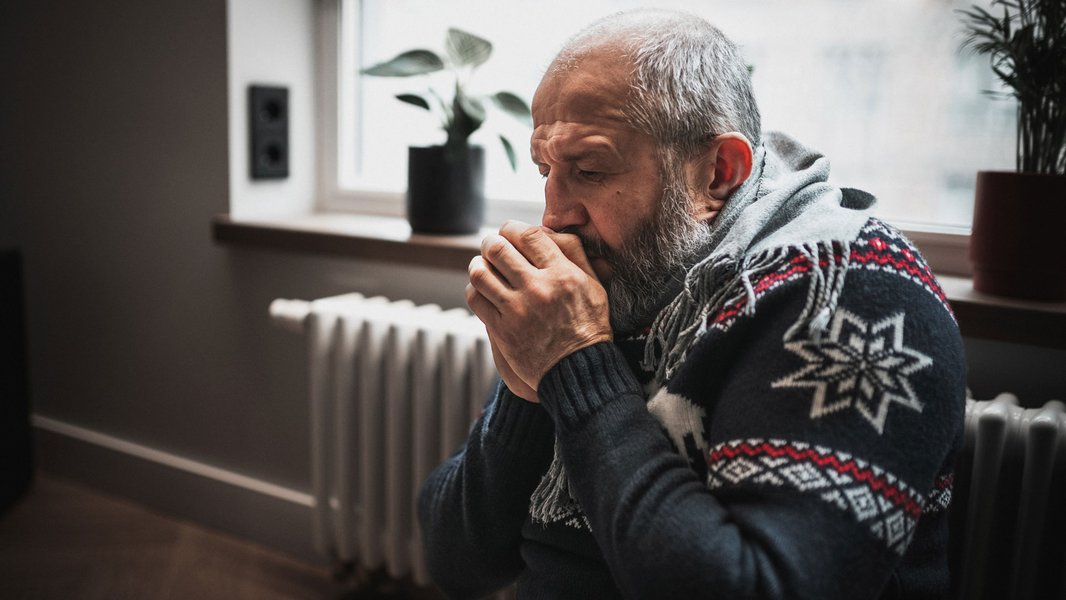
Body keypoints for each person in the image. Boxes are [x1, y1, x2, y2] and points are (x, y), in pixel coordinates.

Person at [418, 8, 966, 599]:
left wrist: (574, 365)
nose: (554, 215)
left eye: (591, 169)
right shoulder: (626, 275)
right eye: (546, 170)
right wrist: (529, 390)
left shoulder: (854, 295)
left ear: (718, 173)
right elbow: (457, 563)